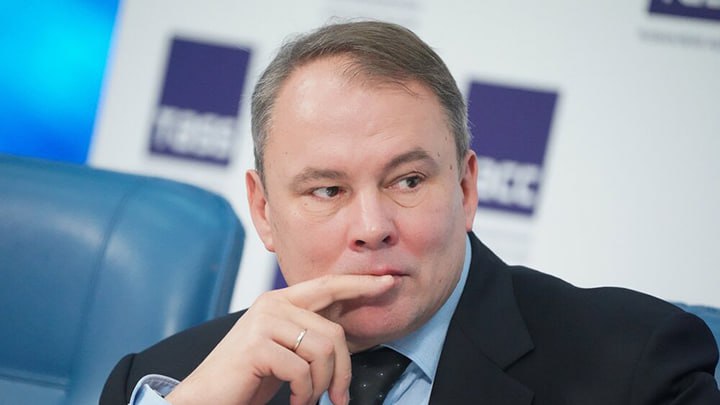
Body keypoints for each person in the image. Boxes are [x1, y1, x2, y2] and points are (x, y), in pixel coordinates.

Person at [100, 20, 720, 405]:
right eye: (327, 191)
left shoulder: (635, 368)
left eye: (408, 181)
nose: (372, 228)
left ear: (467, 188)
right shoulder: (167, 381)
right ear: (264, 211)